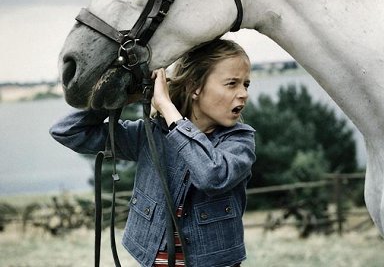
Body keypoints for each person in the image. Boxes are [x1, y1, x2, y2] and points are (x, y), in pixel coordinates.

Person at [50, 39, 256, 267]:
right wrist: (121, 97)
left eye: (246, 84)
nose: (243, 94)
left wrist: (167, 107)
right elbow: (67, 131)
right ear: (194, 87)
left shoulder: (239, 140)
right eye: (232, 84)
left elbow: (212, 175)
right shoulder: (151, 134)